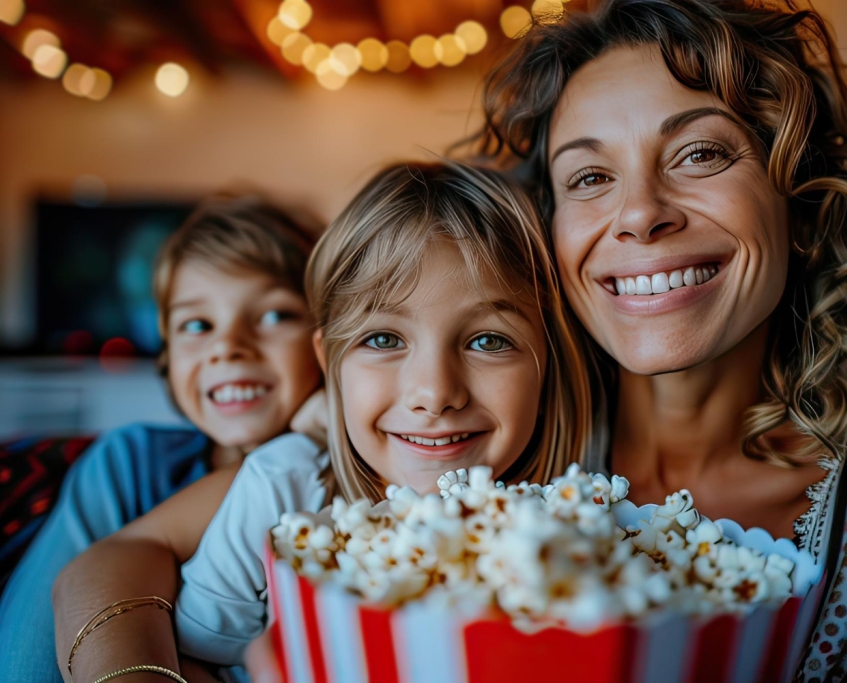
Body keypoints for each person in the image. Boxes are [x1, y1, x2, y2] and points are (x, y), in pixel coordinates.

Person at [473, 1, 847, 680]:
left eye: (700, 153)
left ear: (804, 200)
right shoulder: (492, 441)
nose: (638, 213)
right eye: (591, 177)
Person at [51, 162, 593, 681]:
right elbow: (189, 653)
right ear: (328, 364)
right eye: (383, 339)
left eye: (487, 340)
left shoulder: (592, 529)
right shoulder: (282, 491)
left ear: (550, 366)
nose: (434, 393)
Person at [0, 196, 324, 683]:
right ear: (168, 358)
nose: (227, 346)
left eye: (275, 315)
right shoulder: (129, 462)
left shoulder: (362, 480)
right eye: (197, 325)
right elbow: (26, 668)